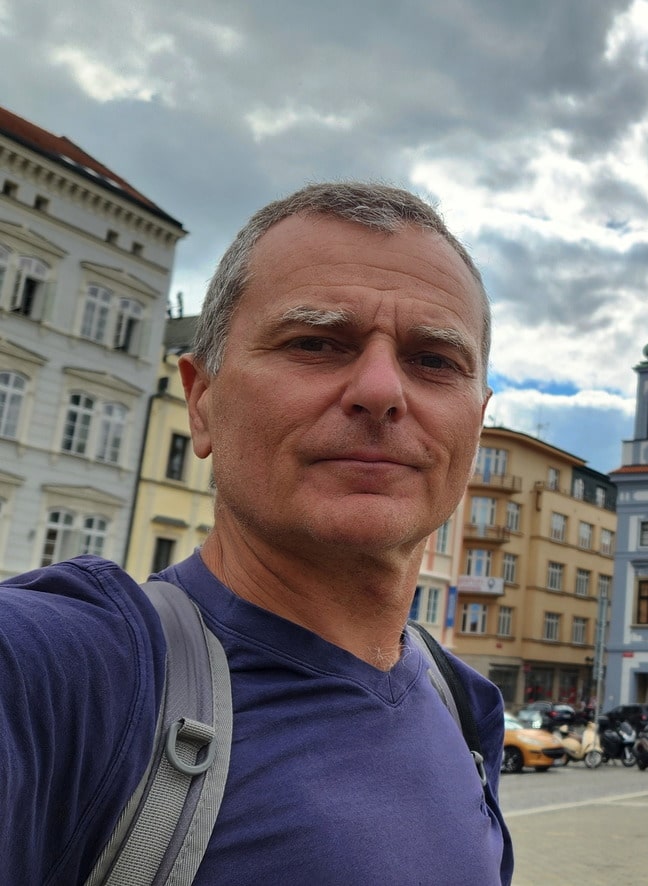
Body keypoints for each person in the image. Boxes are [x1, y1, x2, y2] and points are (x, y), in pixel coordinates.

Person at [0, 183, 513, 884]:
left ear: (476, 424)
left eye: (435, 360)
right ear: (201, 402)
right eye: (315, 342)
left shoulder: (468, 708)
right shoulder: (63, 674)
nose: (381, 390)